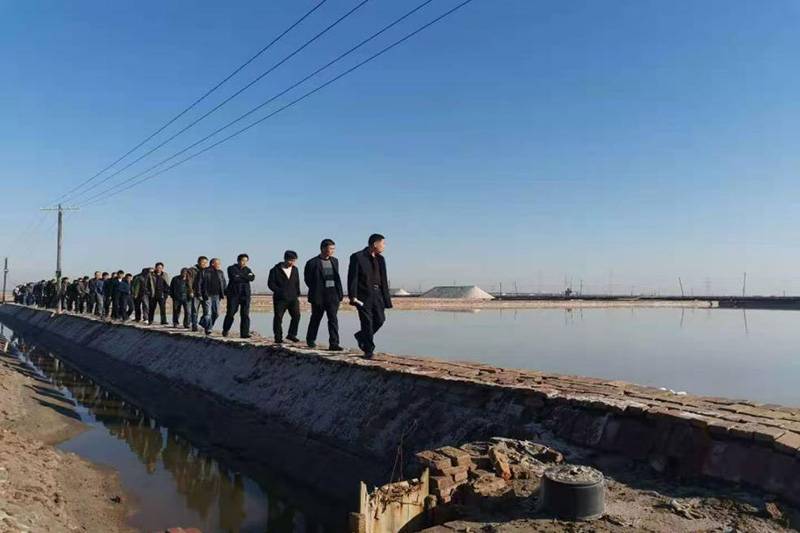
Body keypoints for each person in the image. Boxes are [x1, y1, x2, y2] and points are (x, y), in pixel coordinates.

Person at [348, 234, 393, 358]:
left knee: (380, 319)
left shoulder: (381, 259)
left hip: (378, 294)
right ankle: (369, 350)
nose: (384, 246)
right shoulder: (357, 257)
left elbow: (384, 280)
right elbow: (352, 278)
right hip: (363, 295)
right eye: (383, 243)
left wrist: (387, 299)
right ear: (375, 244)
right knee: (367, 322)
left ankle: (361, 336)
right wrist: (353, 296)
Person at [304, 239, 344, 350]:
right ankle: (311, 339)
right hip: (319, 296)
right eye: (330, 248)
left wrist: (339, 294)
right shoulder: (312, 262)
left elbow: (337, 278)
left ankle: (334, 343)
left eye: (333, 249)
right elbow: (308, 280)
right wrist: (317, 289)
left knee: (333, 320)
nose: (332, 251)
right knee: (316, 318)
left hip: (333, 295)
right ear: (323, 249)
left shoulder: (335, 261)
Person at [268, 250, 301, 344]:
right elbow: (270, 284)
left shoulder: (295, 269)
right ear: (285, 259)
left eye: (294, 260)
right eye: (291, 260)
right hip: (280, 299)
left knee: (296, 316)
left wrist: (297, 293)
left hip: (293, 298)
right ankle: (278, 337)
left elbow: (297, 282)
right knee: (278, 318)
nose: (292, 263)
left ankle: (291, 334)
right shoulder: (275, 270)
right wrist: (280, 292)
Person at [222, 254, 255, 338]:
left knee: (245, 314)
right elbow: (234, 278)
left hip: (245, 294)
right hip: (233, 294)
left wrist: (240, 275)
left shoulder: (248, 269)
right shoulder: (231, 268)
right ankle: (226, 329)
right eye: (243, 260)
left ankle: (244, 333)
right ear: (238, 260)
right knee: (231, 313)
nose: (244, 263)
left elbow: (252, 278)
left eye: (246, 261)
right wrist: (246, 277)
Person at [199, 258, 226, 335]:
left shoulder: (220, 272)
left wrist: (224, 292)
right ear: (212, 264)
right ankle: (208, 329)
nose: (219, 265)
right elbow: (199, 283)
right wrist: (199, 294)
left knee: (216, 313)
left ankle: (205, 323)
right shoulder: (204, 271)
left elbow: (223, 283)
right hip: (207, 295)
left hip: (217, 296)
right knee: (208, 313)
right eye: (218, 264)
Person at [189, 256, 209, 332]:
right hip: (195, 293)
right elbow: (189, 281)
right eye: (202, 262)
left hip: (206, 294)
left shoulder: (208, 271)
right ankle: (194, 325)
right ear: (198, 262)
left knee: (207, 311)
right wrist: (191, 291)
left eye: (206, 262)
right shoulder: (192, 270)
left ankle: (205, 325)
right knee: (194, 311)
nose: (204, 264)